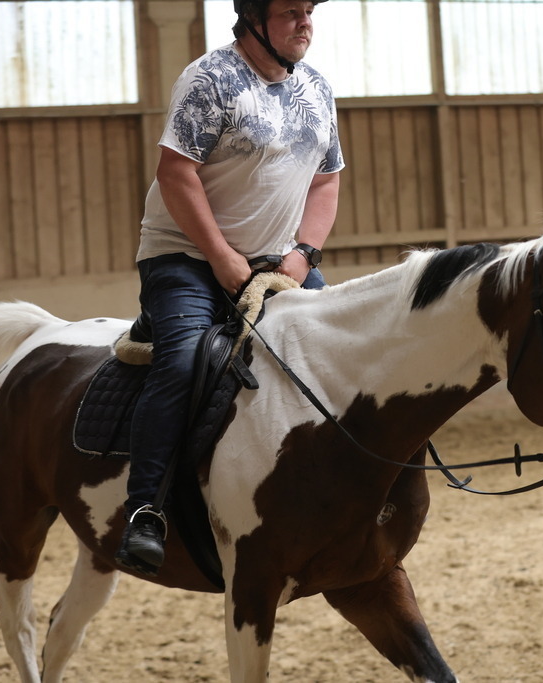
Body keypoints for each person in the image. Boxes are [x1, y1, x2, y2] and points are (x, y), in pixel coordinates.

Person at [115, 0, 343, 576]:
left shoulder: (316, 87)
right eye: (291, 11)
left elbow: (326, 180)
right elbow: (176, 172)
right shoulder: (211, 78)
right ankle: (145, 511)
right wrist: (220, 257)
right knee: (185, 360)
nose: (306, 22)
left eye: (309, 11)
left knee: (341, 351)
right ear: (254, 20)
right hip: (187, 257)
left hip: (278, 262)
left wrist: (303, 255)